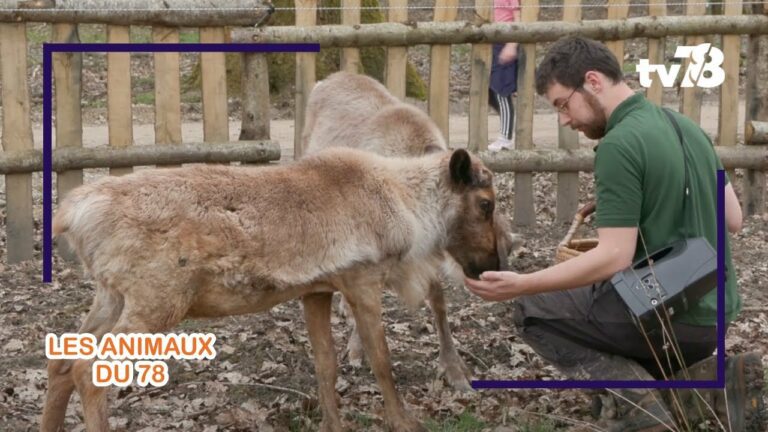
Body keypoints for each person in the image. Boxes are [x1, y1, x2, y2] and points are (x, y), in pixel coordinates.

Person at [465, 36, 764, 431]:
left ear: (592, 81)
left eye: (562, 104)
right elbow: (733, 218)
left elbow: (614, 257)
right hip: (715, 318)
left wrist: (522, 284)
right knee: (608, 310)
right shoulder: (686, 126)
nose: (565, 120)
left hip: (669, 320)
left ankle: (639, 411)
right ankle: (718, 388)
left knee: (533, 312)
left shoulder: (618, 145)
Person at [487, 0, 521, 152]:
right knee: (491, 92)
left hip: (506, 41)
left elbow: (517, 17)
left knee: (502, 92)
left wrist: (512, 44)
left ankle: (505, 138)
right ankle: (508, 125)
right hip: (495, 42)